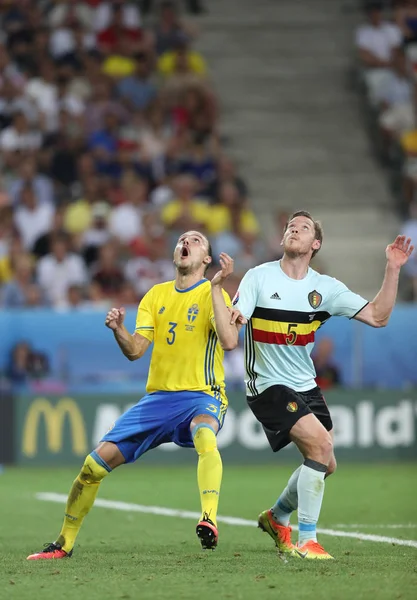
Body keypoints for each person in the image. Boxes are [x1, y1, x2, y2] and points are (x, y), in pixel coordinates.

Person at [27, 231, 240, 560]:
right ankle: (63, 544)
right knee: (91, 467)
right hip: (158, 401)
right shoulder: (155, 296)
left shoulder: (212, 294)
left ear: (207, 259)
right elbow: (135, 351)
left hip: (201, 394)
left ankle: (209, 517)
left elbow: (228, 341)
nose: (186, 242)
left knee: (204, 435)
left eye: (196, 240)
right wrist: (118, 331)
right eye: (182, 239)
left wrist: (216, 287)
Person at [228, 210, 414, 560]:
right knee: (319, 445)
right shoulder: (258, 277)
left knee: (326, 462)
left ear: (315, 244)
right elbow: (239, 316)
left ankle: (277, 515)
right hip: (266, 384)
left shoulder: (325, 288)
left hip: (304, 384)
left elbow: (378, 316)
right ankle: (308, 541)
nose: (294, 229)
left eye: (303, 227)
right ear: (283, 238)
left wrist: (392, 268)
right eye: (289, 226)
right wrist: (236, 317)